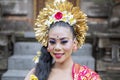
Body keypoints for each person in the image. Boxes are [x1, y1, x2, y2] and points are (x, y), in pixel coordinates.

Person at [24, 0, 101, 80]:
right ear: (47, 44)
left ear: (74, 44)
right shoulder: (35, 74)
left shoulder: (88, 77)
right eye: (52, 42)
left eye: (64, 42)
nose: (57, 47)